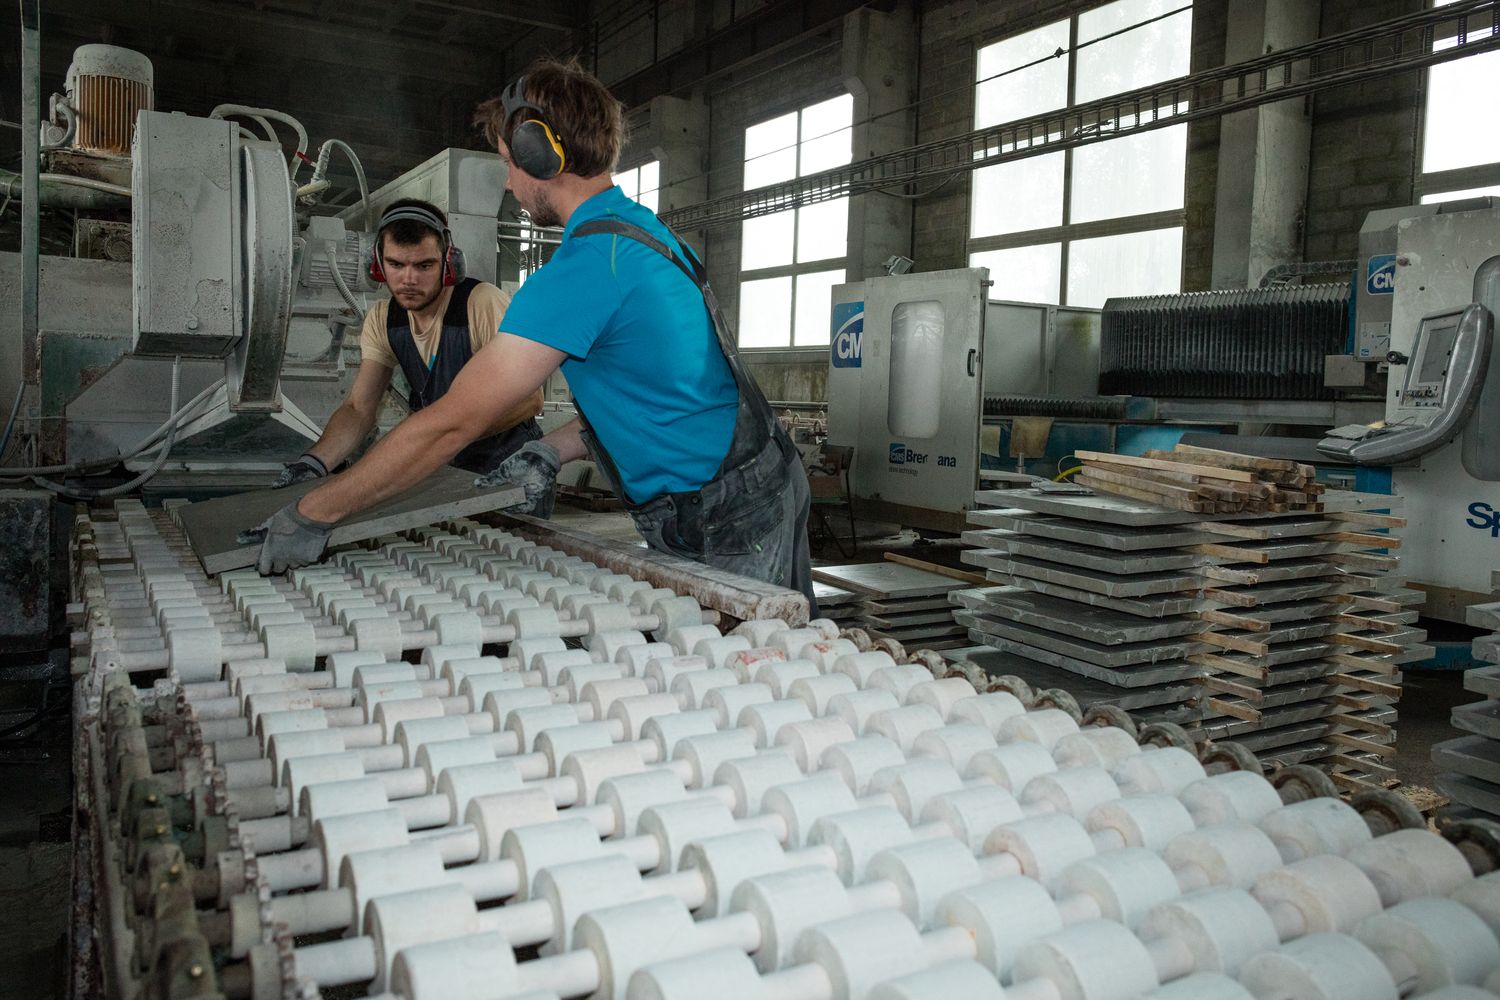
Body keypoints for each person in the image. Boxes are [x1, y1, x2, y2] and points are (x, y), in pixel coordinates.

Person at [251, 59, 816, 615]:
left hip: (725, 512)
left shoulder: (587, 265)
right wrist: (552, 448)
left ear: (539, 153)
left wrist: (315, 511)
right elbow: (657, 396)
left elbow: (452, 422)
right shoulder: (640, 231)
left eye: (508, 162)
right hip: (751, 483)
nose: (507, 181)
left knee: (745, 663)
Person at [268, 197, 545, 487]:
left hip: (511, 467)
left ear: (448, 263)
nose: (409, 279)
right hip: (445, 466)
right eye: (396, 264)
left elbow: (530, 400)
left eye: (424, 265)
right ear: (378, 264)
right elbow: (358, 409)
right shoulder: (384, 320)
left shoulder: (480, 303)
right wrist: (314, 463)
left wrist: (443, 436)